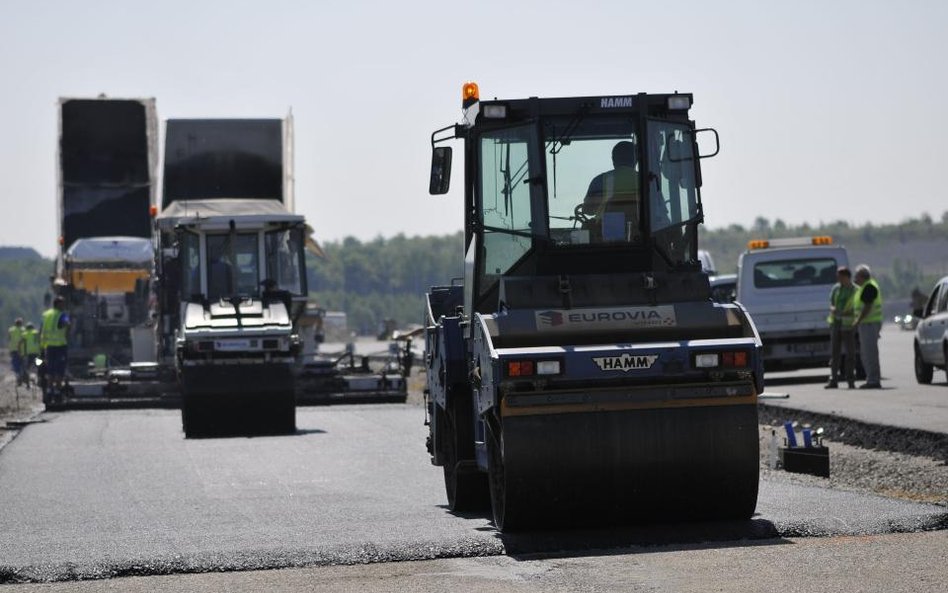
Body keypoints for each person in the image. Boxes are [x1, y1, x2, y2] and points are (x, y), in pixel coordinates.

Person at [581, 141, 641, 242]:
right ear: (636, 160)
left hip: (605, 241)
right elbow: (658, 212)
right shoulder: (645, 180)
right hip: (639, 237)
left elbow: (588, 211)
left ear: (614, 160)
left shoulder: (600, 180)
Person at [825, 267, 857, 389]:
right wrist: (833, 309)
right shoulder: (836, 288)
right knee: (835, 353)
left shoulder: (855, 290)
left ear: (846, 276)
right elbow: (832, 303)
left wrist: (848, 313)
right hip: (836, 323)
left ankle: (850, 380)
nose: (838, 279)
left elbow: (857, 306)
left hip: (848, 325)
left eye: (840, 276)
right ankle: (833, 379)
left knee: (850, 354)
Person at [852, 264, 883, 389]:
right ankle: (871, 378)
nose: (855, 279)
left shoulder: (869, 286)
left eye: (857, 276)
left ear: (861, 276)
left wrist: (858, 321)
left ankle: (873, 380)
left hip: (869, 324)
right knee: (866, 353)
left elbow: (867, 306)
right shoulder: (865, 286)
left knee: (870, 353)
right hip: (867, 324)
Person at [40, 295, 71, 402]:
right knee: (59, 371)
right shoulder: (62, 315)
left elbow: (42, 330)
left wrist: (42, 347)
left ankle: (49, 392)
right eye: (63, 304)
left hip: (48, 346)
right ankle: (57, 393)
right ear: (58, 304)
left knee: (50, 371)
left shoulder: (46, 315)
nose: (64, 305)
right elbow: (67, 324)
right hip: (60, 346)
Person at [17, 321, 41, 386]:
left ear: (27, 328)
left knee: (26, 368)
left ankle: (27, 381)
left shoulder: (25, 334)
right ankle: (39, 379)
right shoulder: (37, 333)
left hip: (28, 354)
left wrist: (19, 352)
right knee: (39, 366)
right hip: (37, 354)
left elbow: (19, 343)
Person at [8, 317, 24, 384]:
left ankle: (17, 375)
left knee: (15, 363)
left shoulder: (11, 330)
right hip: (21, 350)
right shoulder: (23, 330)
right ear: (21, 323)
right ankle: (21, 374)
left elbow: (9, 338)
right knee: (21, 363)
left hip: (13, 349)